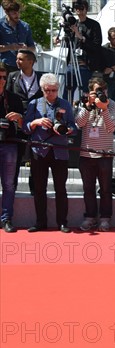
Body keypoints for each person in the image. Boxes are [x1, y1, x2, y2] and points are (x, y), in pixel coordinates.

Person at [22, 73, 76, 233]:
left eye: (53, 90)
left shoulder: (65, 104)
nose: (51, 93)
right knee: (39, 188)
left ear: (58, 89)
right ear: (42, 89)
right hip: (39, 150)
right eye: (47, 90)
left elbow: (74, 128)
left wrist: (66, 130)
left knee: (61, 188)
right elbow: (25, 128)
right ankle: (40, 222)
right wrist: (35, 122)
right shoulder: (34, 104)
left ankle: (62, 222)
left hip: (60, 151)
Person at [75, 77, 115, 232]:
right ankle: (90, 217)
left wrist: (104, 109)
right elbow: (78, 124)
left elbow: (112, 127)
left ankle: (105, 218)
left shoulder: (112, 105)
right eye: (96, 91)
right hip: (86, 154)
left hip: (105, 154)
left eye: (102, 90)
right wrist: (88, 106)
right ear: (90, 92)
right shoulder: (85, 104)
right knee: (88, 189)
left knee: (106, 189)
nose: (100, 94)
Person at [6, 49, 42, 191]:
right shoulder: (13, 76)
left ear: (30, 61)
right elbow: (8, 96)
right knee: (16, 155)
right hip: (17, 123)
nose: (17, 62)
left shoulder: (42, 77)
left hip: (36, 121)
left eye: (21, 59)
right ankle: (12, 187)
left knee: (36, 157)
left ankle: (35, 187)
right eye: (17, 59)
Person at [59, 0, 102, 102]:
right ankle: (66, 112)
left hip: (85, 64)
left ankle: (87, 113)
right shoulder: (73, 24)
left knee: (86, 92)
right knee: (67, 90)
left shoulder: (94, 25)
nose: (79, 11)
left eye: (82, 8)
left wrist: (81, 36)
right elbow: (69, 44)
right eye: (77, 9)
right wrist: (62, 39)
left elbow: (96, 45)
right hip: (72, 63)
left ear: (86, 9)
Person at [0, 62, 24, 232]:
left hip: (9, 144)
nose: (2, 80)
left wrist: (19, 118)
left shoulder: (14, 98)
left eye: (4, 77)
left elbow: (24, 126)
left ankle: (6, 218)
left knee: (9, 184)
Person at [0, 0, 35, 73]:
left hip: (23, 67)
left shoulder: (25, 26)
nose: (17, 15)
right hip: (5, 67)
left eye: (19, 12)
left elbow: (33, 48)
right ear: (6, 12)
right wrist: (9, 47)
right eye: (14, 13)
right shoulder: (0, 26)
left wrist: (26, 48)